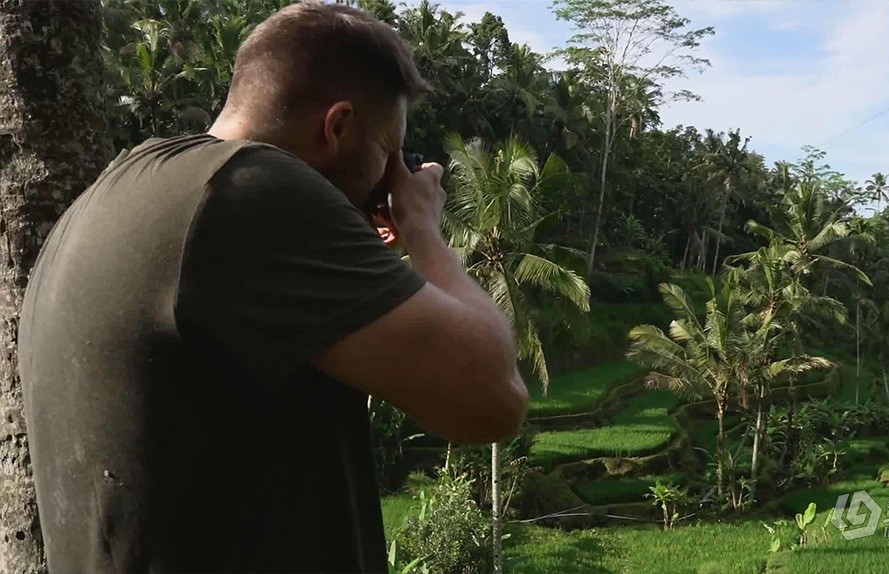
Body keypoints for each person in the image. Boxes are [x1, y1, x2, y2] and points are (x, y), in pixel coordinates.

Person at [18, 3, 528, 573]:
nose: (393, 180)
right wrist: (424, 229)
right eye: (389, 154)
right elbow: (493, 401)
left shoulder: (118, 190)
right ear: (337, 126)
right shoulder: (251, 192)